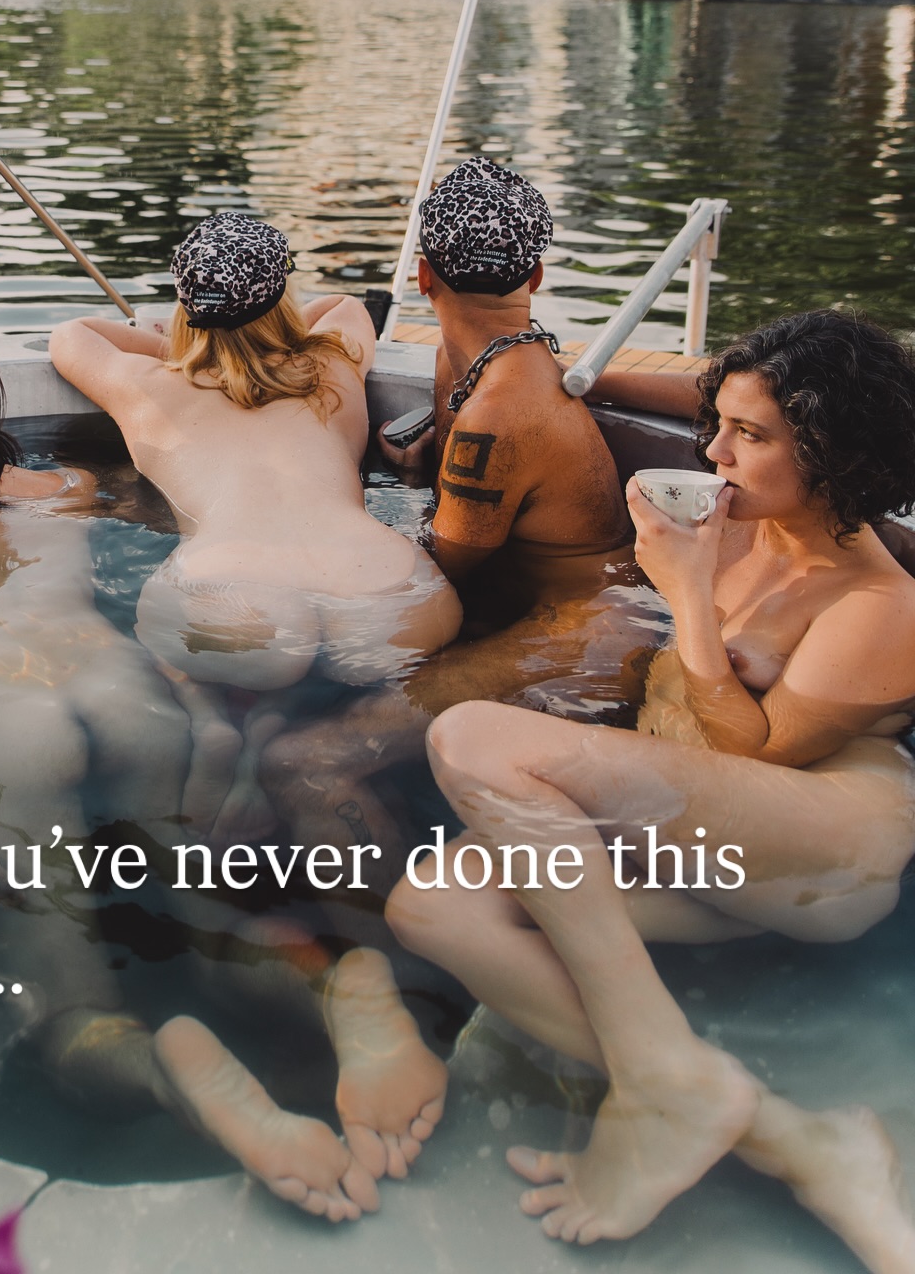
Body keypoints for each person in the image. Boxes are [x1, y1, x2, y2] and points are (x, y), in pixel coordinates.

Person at [0, 297, 447, 1224]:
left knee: (67, 1005)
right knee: (200, 910)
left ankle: (160, 1068)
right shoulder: (63, 489)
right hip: (128, 698)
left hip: (6, 721)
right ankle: (333, 983)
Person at [385, 309, 915, 1269]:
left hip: (824, 850)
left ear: (834, 452)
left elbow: (750, 769)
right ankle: (790, 1137)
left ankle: (666, 1083)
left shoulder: (880, 604)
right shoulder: (739, 518)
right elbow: (705, 393)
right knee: (432, 906)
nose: (715, 452)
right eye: (720, 425)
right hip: (700, 840)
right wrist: (592, 378)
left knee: (472, 741)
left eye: (750, 437)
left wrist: (688, 598)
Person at [261, 159, 640, 877]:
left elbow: (436, 577)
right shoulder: (477, 365)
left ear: (425, 276)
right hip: (547, 610)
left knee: (302, 761)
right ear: (535, 278)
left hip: (586, 638)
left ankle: (401, 948)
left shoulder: (498, 413)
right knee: (295, 714)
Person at [49, 211, 461, 843]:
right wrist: (273, 335)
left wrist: (179, 350)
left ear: (185, 307)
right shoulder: (332, 364)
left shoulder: (146, 385)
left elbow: (71, 334)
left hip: (228, 598)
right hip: (386, 591)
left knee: (191, 657)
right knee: (357, 697)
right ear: (281, 303)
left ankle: (216, 719)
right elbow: (345, 304)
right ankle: (284, 731)